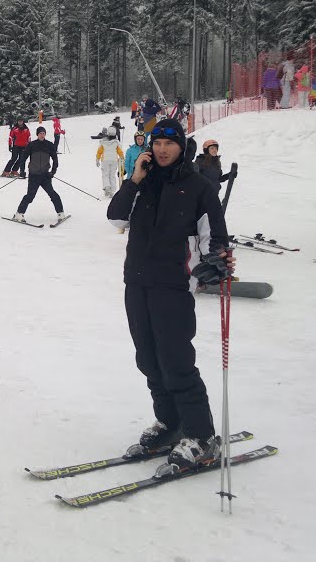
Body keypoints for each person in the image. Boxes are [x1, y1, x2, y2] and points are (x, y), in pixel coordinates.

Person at [106, 118, 232, 469]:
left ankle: (201, 436)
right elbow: (116, 218)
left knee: (176, 362)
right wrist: (134, 180)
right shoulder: (144, 183)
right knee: (148, 359)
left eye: (169, 143)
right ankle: (171, 423)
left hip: (174, 285)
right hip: (137, 282)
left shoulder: (198, 187)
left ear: (181, 147)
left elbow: (215, 234)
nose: (162, 149)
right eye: (157, 143)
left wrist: (217, 260)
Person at [11, 126, 65, 223]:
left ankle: (60, 213)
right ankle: (19, 214)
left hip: (45, 176)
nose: (42, 135)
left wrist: (53, 171)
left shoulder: (49, 145)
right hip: (34, 175)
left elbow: (55, 159)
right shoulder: (31, 145)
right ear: (37, 134)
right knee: (30, 196)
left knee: (53, 194)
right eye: (40, 133)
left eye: (43, 133)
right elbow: (23, 158)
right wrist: (22, 171)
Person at [95, 127, 124, 199]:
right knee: (112, 175)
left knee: (105, 175)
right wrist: (122, 158)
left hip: (105, 160)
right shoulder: (116, 142)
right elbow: (120, 151)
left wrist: (97, 159)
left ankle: (107, 186)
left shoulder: (103, 142)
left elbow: (99, 152)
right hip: (114, 160)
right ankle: (112, 191)